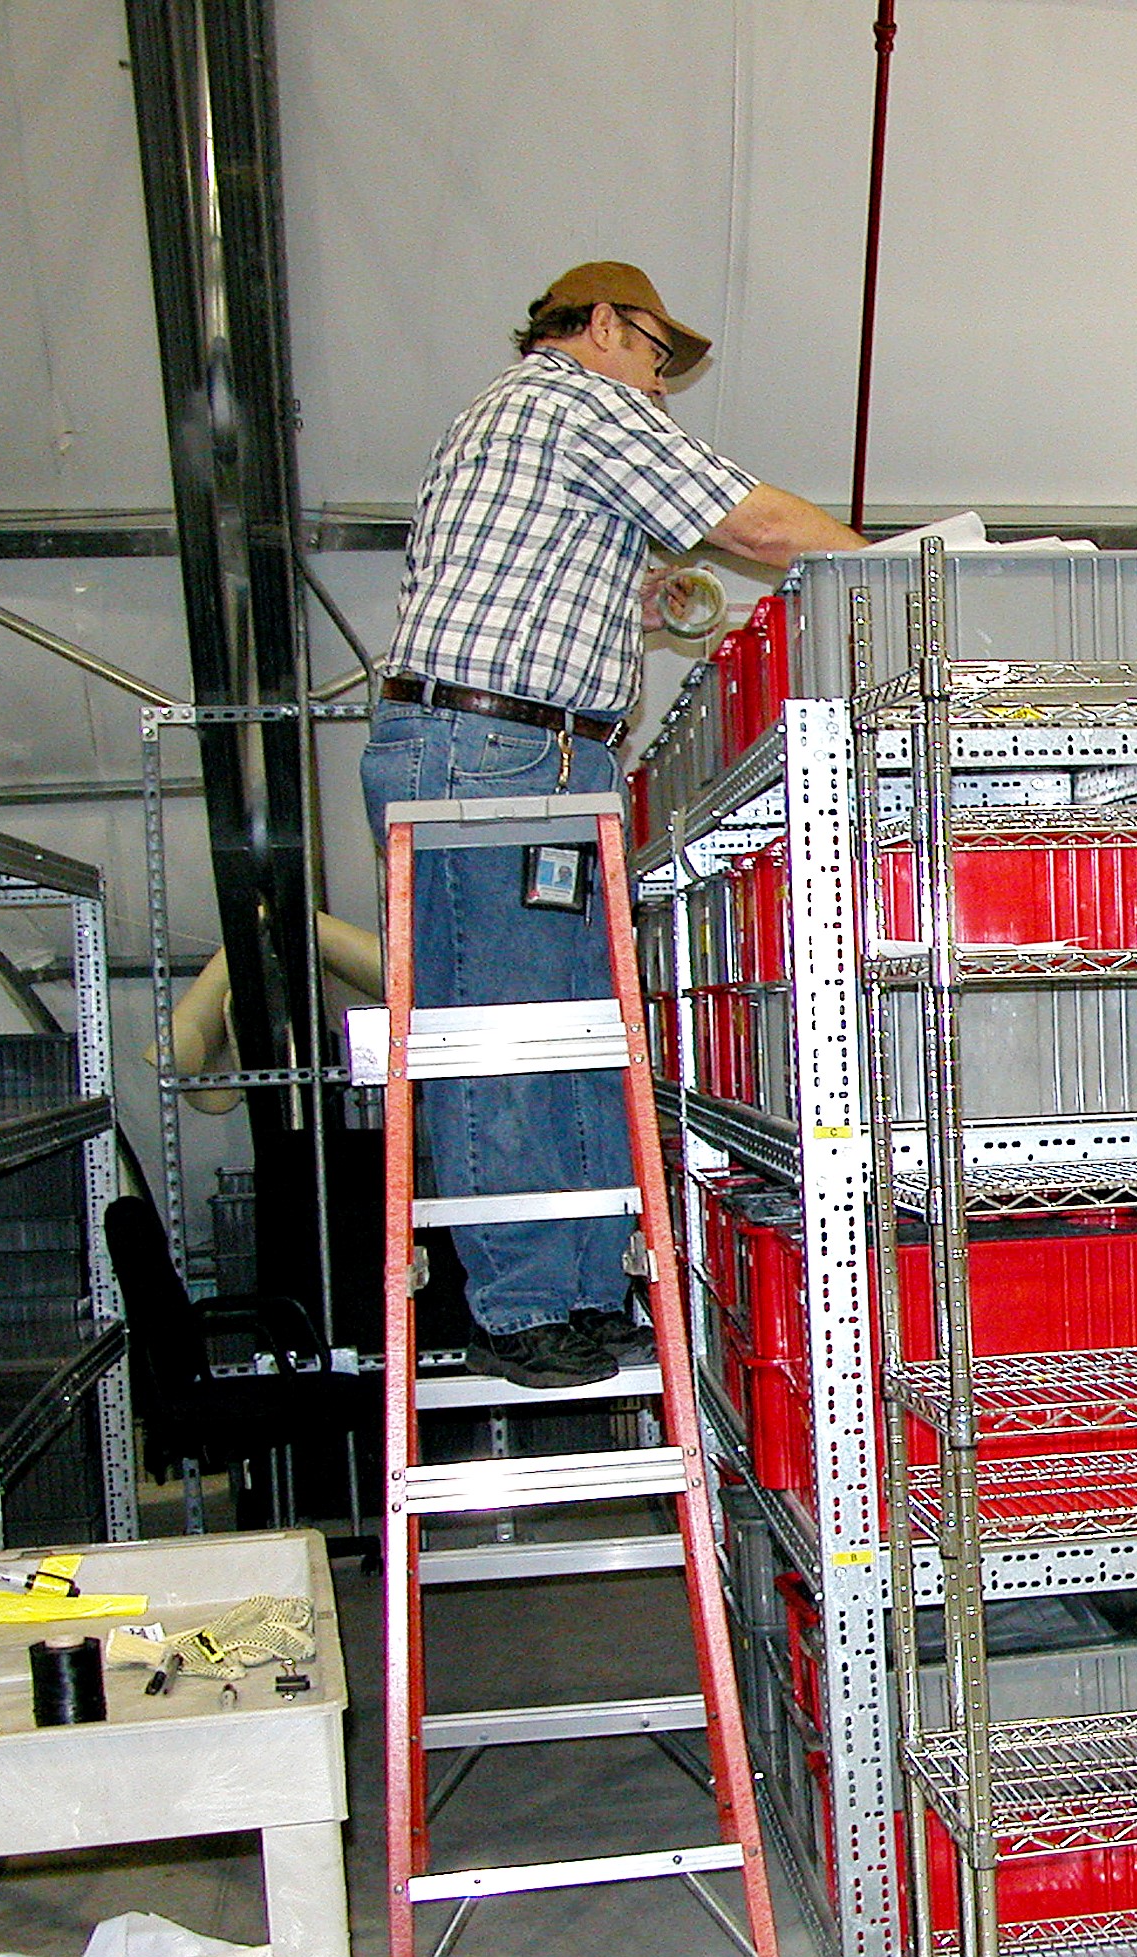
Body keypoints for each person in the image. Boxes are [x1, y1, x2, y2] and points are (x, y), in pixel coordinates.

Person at [364, 262, 856, 1388]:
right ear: (594, 328)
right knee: (504, 1026)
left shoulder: (514, 426)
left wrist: (639, 600)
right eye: (649, 349)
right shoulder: (570, 398)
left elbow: (523, 574)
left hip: (526, 751)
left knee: (571, 1025)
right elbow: (759, 524)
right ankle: (529, 1304)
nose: (656, 383)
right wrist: (910, 572)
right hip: (488, 752)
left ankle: (577, 1292)